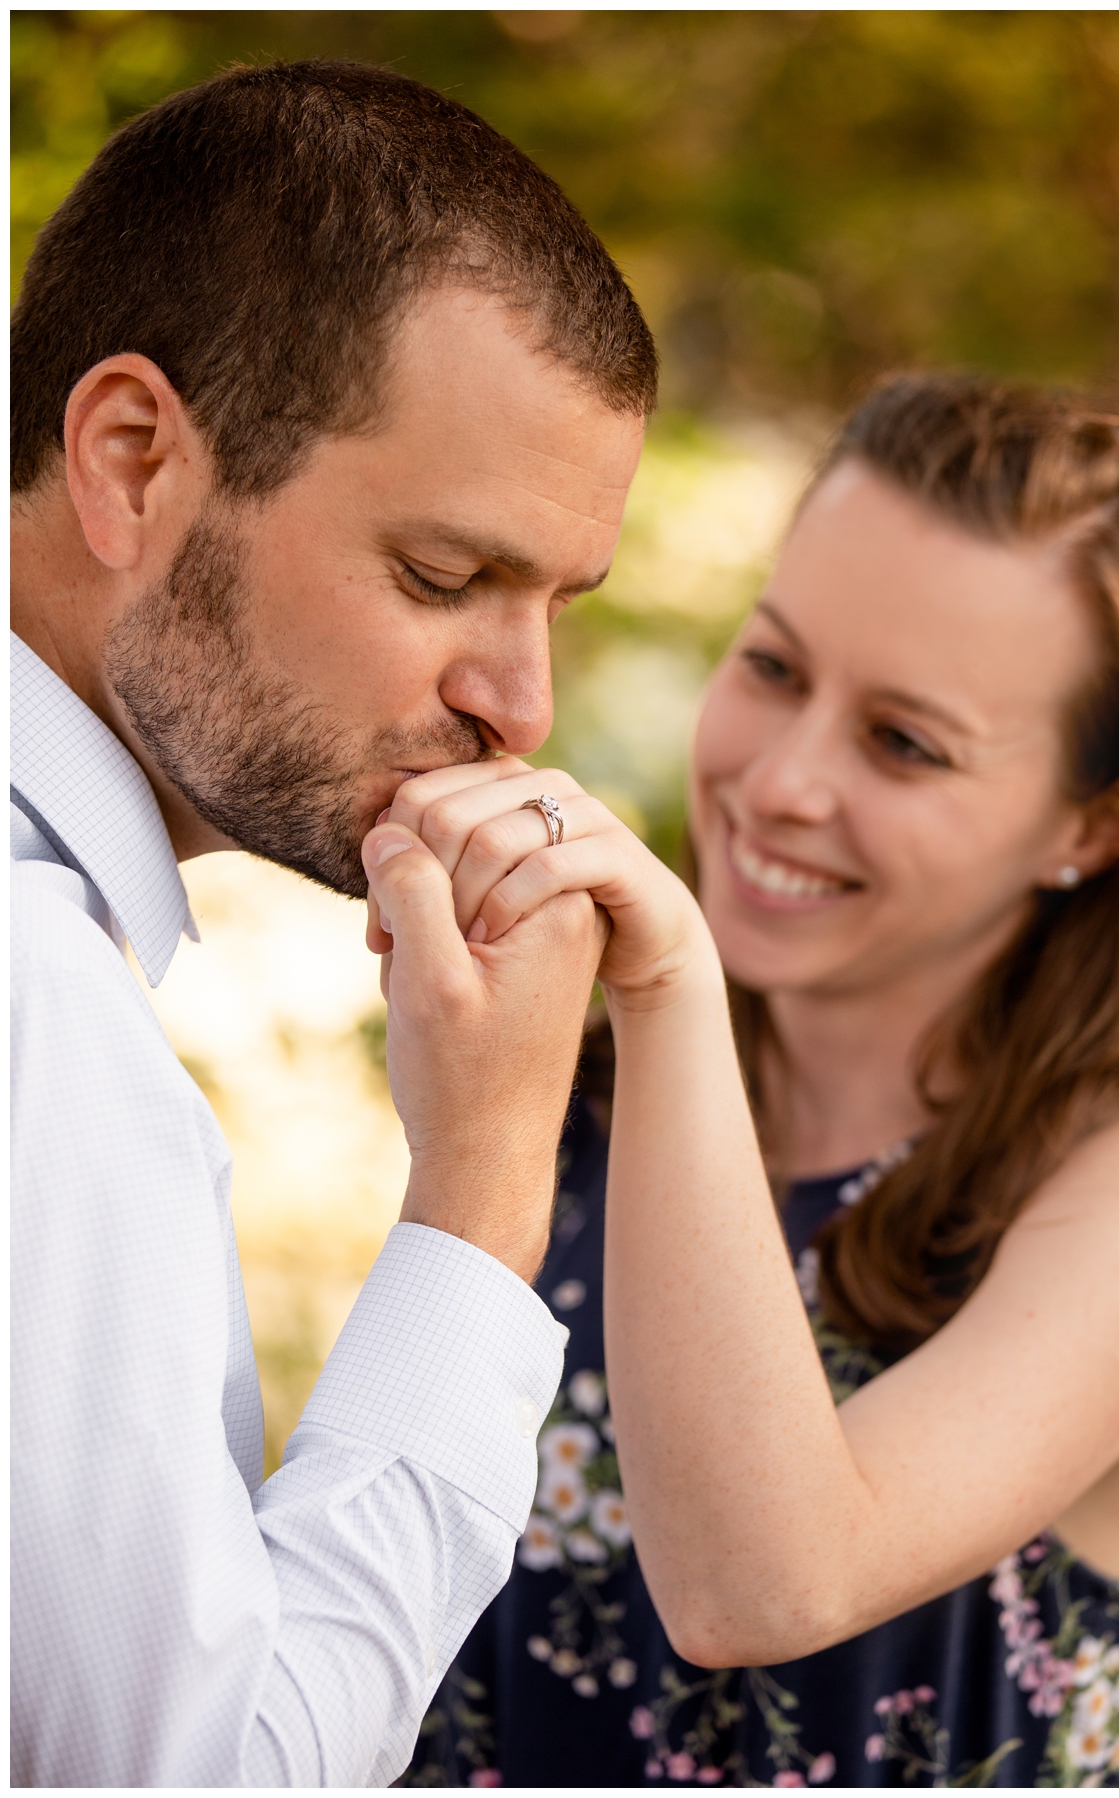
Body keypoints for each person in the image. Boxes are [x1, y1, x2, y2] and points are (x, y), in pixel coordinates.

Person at [400, 375, 1119, 1787]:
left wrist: (666, 983)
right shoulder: (571, 1083)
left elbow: (757, 1586)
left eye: (904, 742)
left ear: (1091, 824)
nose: (779, 783)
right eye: (771, 667)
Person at [9, 63, 656, 1785]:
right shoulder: (32, 1007)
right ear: (132, 461)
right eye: (446, 577)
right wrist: (483, 1187)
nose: (518, 700)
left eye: (554, 602)